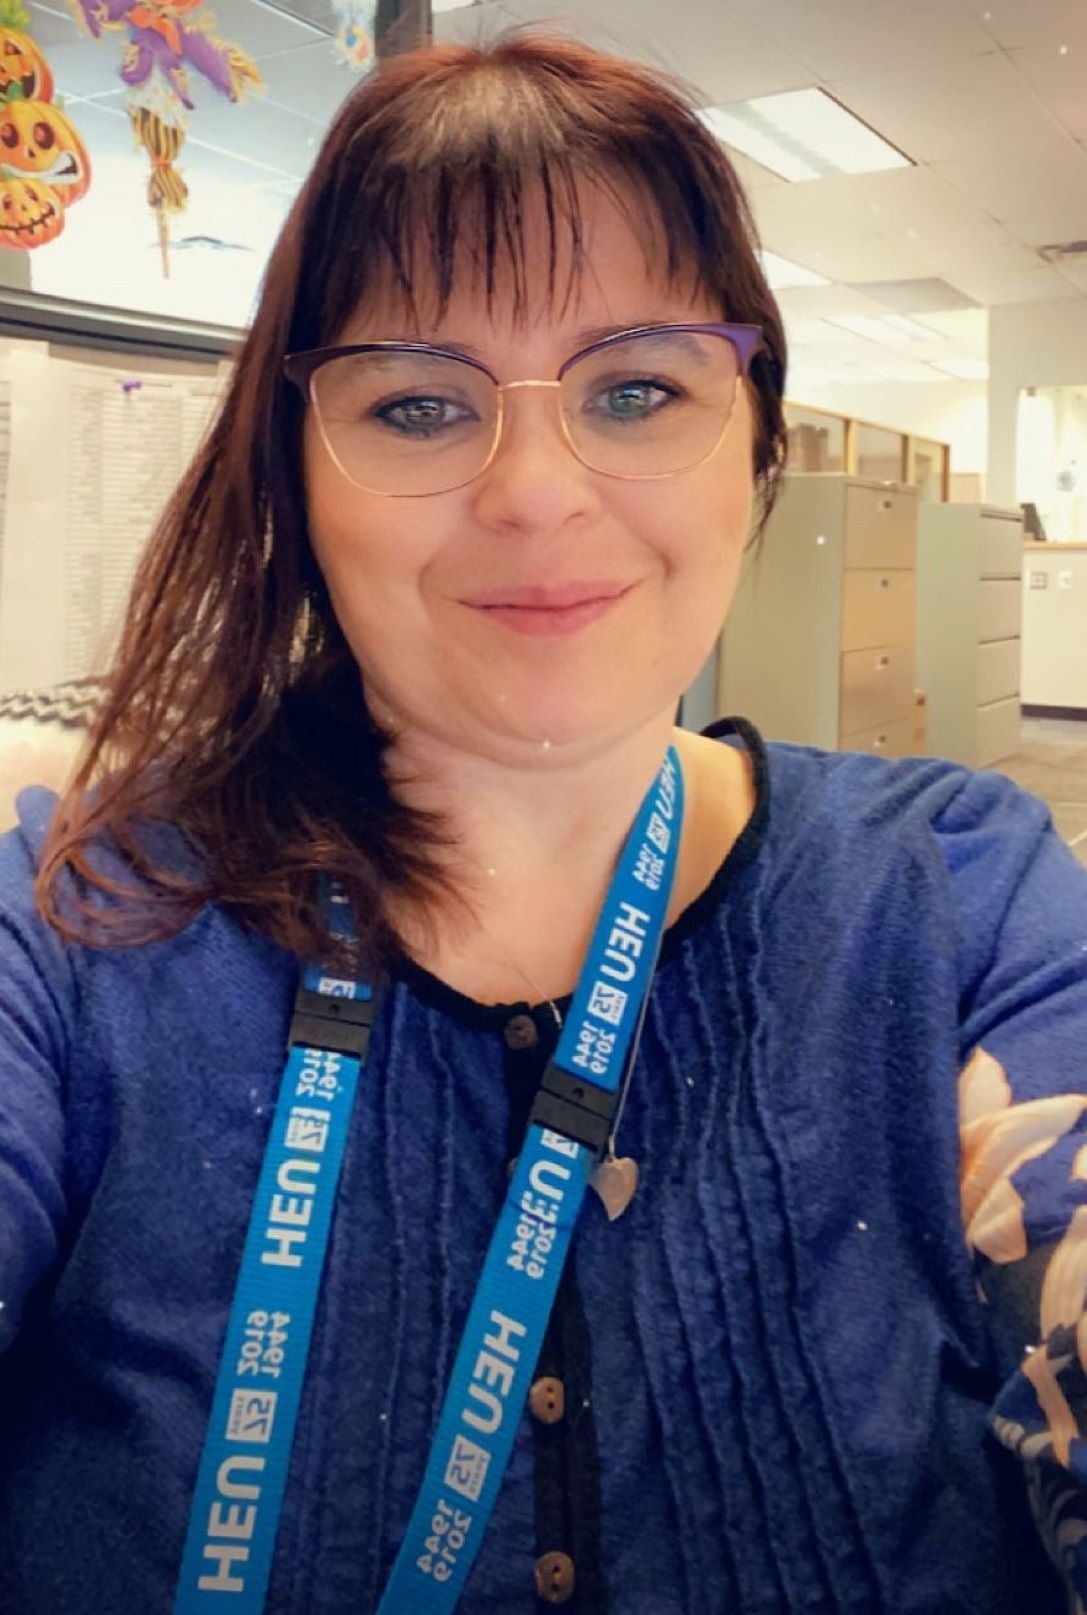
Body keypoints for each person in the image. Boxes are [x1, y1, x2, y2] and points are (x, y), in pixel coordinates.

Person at [0, 30, 1084, 1615]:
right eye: (421, 405)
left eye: (636, 389)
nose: (535, 491)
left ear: (758, 442)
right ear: (297, 471)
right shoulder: (80, 920)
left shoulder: (962, 896)